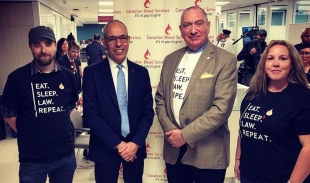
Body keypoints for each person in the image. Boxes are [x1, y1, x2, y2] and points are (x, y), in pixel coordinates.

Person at [155, 6, 237, 183]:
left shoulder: (225, 60)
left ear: (208, 25)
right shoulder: (170, 60)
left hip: (208, 152)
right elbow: (160, 99)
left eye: (198, 23)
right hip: (174, 150)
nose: (193, 30)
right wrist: (172, 131)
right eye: (187, 25)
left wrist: (184, 135)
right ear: (180, 29)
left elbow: (221, 109)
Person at [0, 26, 78, 183]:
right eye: (37, 45)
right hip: (32, 160)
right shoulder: (17, 78)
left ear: (55, 45)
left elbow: (69, 105)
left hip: (65, 156)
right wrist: (31, 131)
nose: (43, 50)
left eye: (48, 44)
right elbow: (8, 113)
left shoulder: (68, 76)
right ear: (30, 47)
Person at [82, 20, 153, 183]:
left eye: (122, 38)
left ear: (128, 40)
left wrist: (134, 143)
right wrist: (120, 145)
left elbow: (147, 112)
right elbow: (91, 115)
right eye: (112, 39)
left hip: (134, 149)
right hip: (105, 148)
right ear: (104, 43)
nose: (118, 43)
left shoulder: (141, 73)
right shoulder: (92, 73)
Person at [234, 40, 310, 183]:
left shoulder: (302, 97)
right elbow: (243, 130)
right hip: (249, 174)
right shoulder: (252, 94)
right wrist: (238, 158)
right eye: (270, 58)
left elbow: (309, 147)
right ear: (264, 63)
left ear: (292, 63)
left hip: (283, 177)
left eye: (283, 58)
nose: (276, 63)